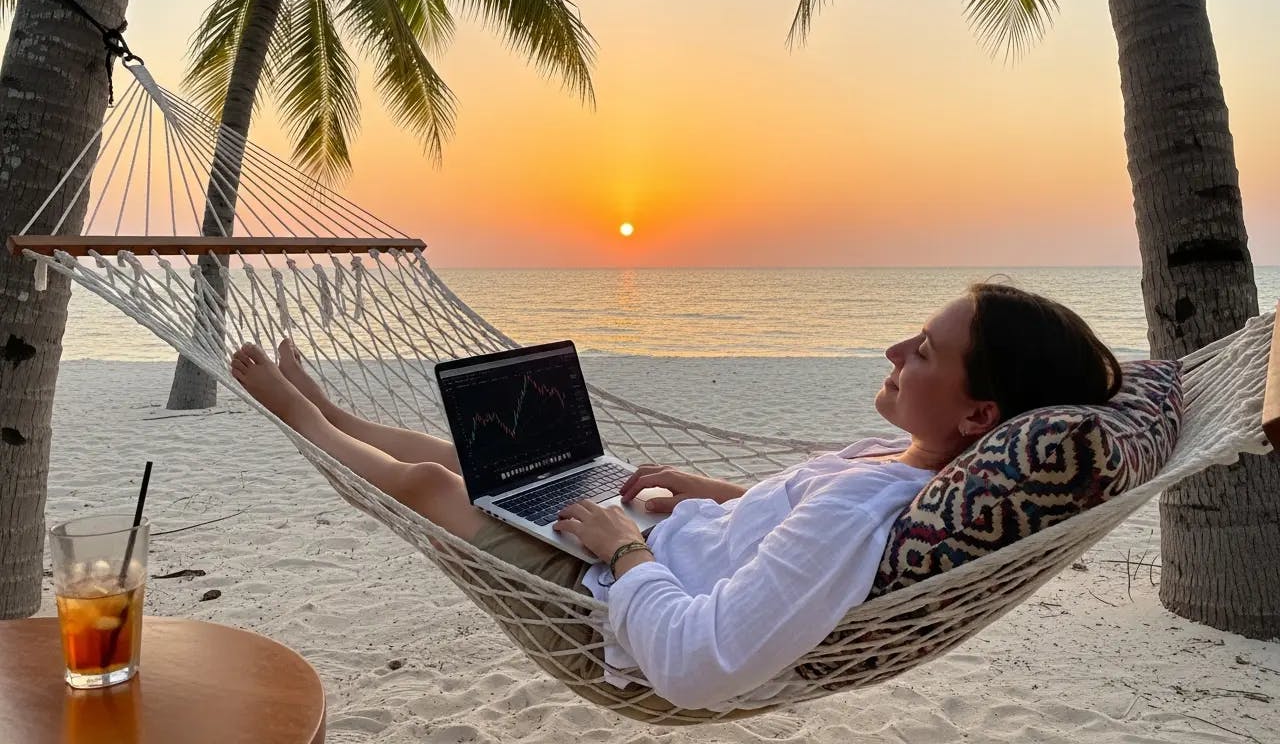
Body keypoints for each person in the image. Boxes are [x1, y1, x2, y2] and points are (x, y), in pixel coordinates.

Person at [230, 282, 1121, 712]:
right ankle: (332, 410)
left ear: (981, 412)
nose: (895, 349)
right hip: (661, 542)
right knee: (474, 459)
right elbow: (798, 524)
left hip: (611, 605)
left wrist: (624, 549)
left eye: (923, 350)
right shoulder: (905, 462)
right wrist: (710, 493)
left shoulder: (867, 515)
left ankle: (292, 411)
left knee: (429, 485)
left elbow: (700, 664)